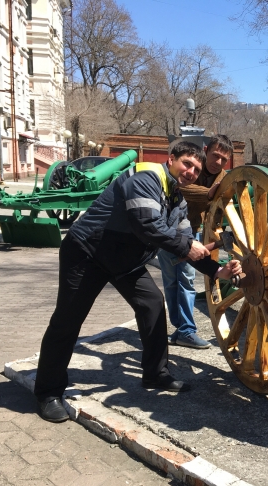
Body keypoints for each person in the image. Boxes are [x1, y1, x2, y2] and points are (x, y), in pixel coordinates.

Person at [34, 141, 242, 423]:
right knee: (68, 320)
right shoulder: (146, 177)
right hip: (88, 252)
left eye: (195, 168)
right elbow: (146, 224)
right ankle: (48, 393)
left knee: (153, 305)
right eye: (186, 164)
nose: (191, 172)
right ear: (171, 160)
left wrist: (218, 271)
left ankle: (156, 374)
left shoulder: (177, 200)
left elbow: (186, 243)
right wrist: (188, 247)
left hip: (124, 259)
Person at [158, 134, 234, 349]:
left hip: (193, 231)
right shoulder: (191, 169)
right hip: (167, 229)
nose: (218, 162)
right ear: (206, 149)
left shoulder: (223, 177)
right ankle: (181, 329)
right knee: (172, 281)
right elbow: (180, 188)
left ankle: (185, 330)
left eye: (223, 160)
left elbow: (223, 203)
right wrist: (209, 193)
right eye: (215, 155)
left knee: (186, 280)